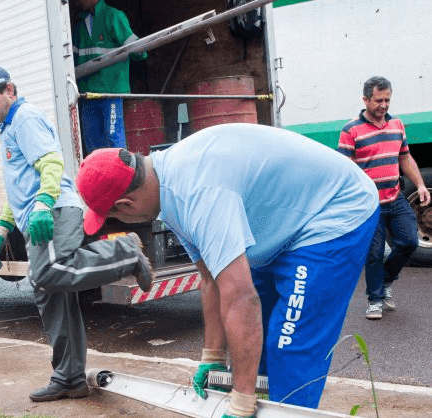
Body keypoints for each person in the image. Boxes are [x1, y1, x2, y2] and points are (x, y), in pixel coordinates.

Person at [75, 122, 380, 415]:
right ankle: (259, 402)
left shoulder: (197, 193)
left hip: (335, 210)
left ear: (126, 205)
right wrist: (213, 356)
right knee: (254, 348)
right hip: (287, 219)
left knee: (289, 344)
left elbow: (240, 297)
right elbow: (210, 277)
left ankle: (284, 410)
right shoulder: (166, 187)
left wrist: (242, 400)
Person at [0, 65, 154, 402]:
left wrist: (43, 204)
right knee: (49, 294)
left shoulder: (24, 118)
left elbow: (51, 163)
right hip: (38, 214)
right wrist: (1, 230)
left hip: (53, 212)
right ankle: (69, 379)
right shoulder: (8, 127)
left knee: (49, 273)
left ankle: (125, 253)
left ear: (10, 89)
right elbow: (18, 189)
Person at [338, 76, 431, 320]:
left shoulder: (397, 125)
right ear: (365, 99)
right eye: (378, 100)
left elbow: (405, 158)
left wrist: (420, 184)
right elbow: (345, 170)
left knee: (409, 241)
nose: (383, 105)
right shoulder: (351, 131)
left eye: (387, 100)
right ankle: (375, 299)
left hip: (395, 196)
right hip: (369, 204)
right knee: (374, 253)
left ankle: (386, 280)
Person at [72, 0, 147, 153]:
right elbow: (69, 61)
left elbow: (139, 51)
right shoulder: (79, 26)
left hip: (110, 92)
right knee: (93, 145)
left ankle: (121, 175)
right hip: (88, 95)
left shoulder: (114, 17)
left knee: (114, 140)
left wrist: (141, 50)